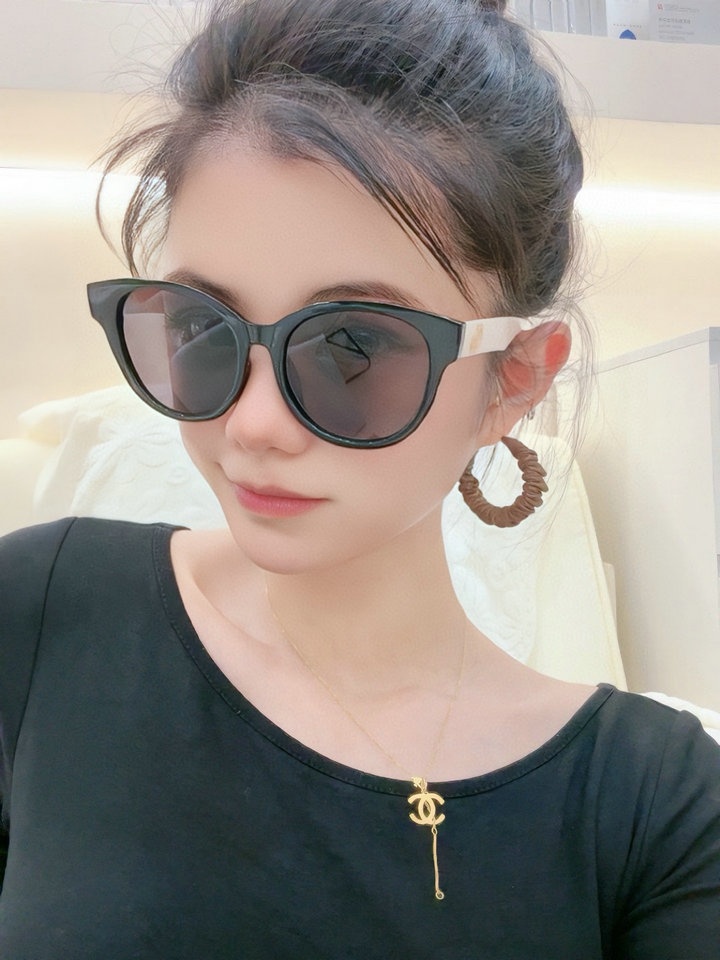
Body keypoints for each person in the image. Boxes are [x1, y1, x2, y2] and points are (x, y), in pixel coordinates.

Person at [1, 0, 718, 956]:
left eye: (353, 346)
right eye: (202, 329)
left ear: (515, 378)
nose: (252, 424)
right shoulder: (40, 615)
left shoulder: (657, 807)